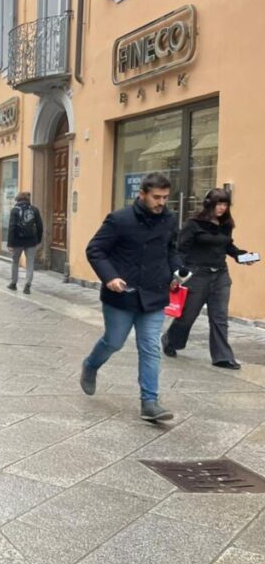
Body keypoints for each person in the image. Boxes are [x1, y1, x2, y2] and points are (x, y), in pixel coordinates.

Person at [80, 172, 189, 422]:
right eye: (156, 197)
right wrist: (110, 277)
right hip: (122, 294)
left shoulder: (169, 220)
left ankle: (150, 401)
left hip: (155, 293)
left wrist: (177, 271)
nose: (161, 202)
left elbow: (171, 250)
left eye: (165, 197)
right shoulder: (120, 219)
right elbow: (95, 250)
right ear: (142, 194)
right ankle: (90, 365)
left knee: (150, 346)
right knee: (114, 342)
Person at [162, 188, 256, 369]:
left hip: (220, 275)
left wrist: (242, 256)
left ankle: (223, 357)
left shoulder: (226, 225)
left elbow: (228, 246)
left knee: (219, 317)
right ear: (208, 204)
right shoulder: (193, 224)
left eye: (225, 204)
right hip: (197, 274)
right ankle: (170, 340)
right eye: (218, 204)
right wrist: (177, 274)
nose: (221, 208)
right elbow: (181, 250)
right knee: (188, 315)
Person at [6, 191, 43, 294]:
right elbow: (40, 226)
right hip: (31, 241)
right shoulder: (34, 210)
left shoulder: (14, 210)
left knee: (15, 262)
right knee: (30, 263)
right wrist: (38, 240)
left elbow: (12, 227)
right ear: (27, 199)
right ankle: (27, 286)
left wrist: (10, 243)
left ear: (17, 199)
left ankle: (13, 284)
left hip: (17, 241)